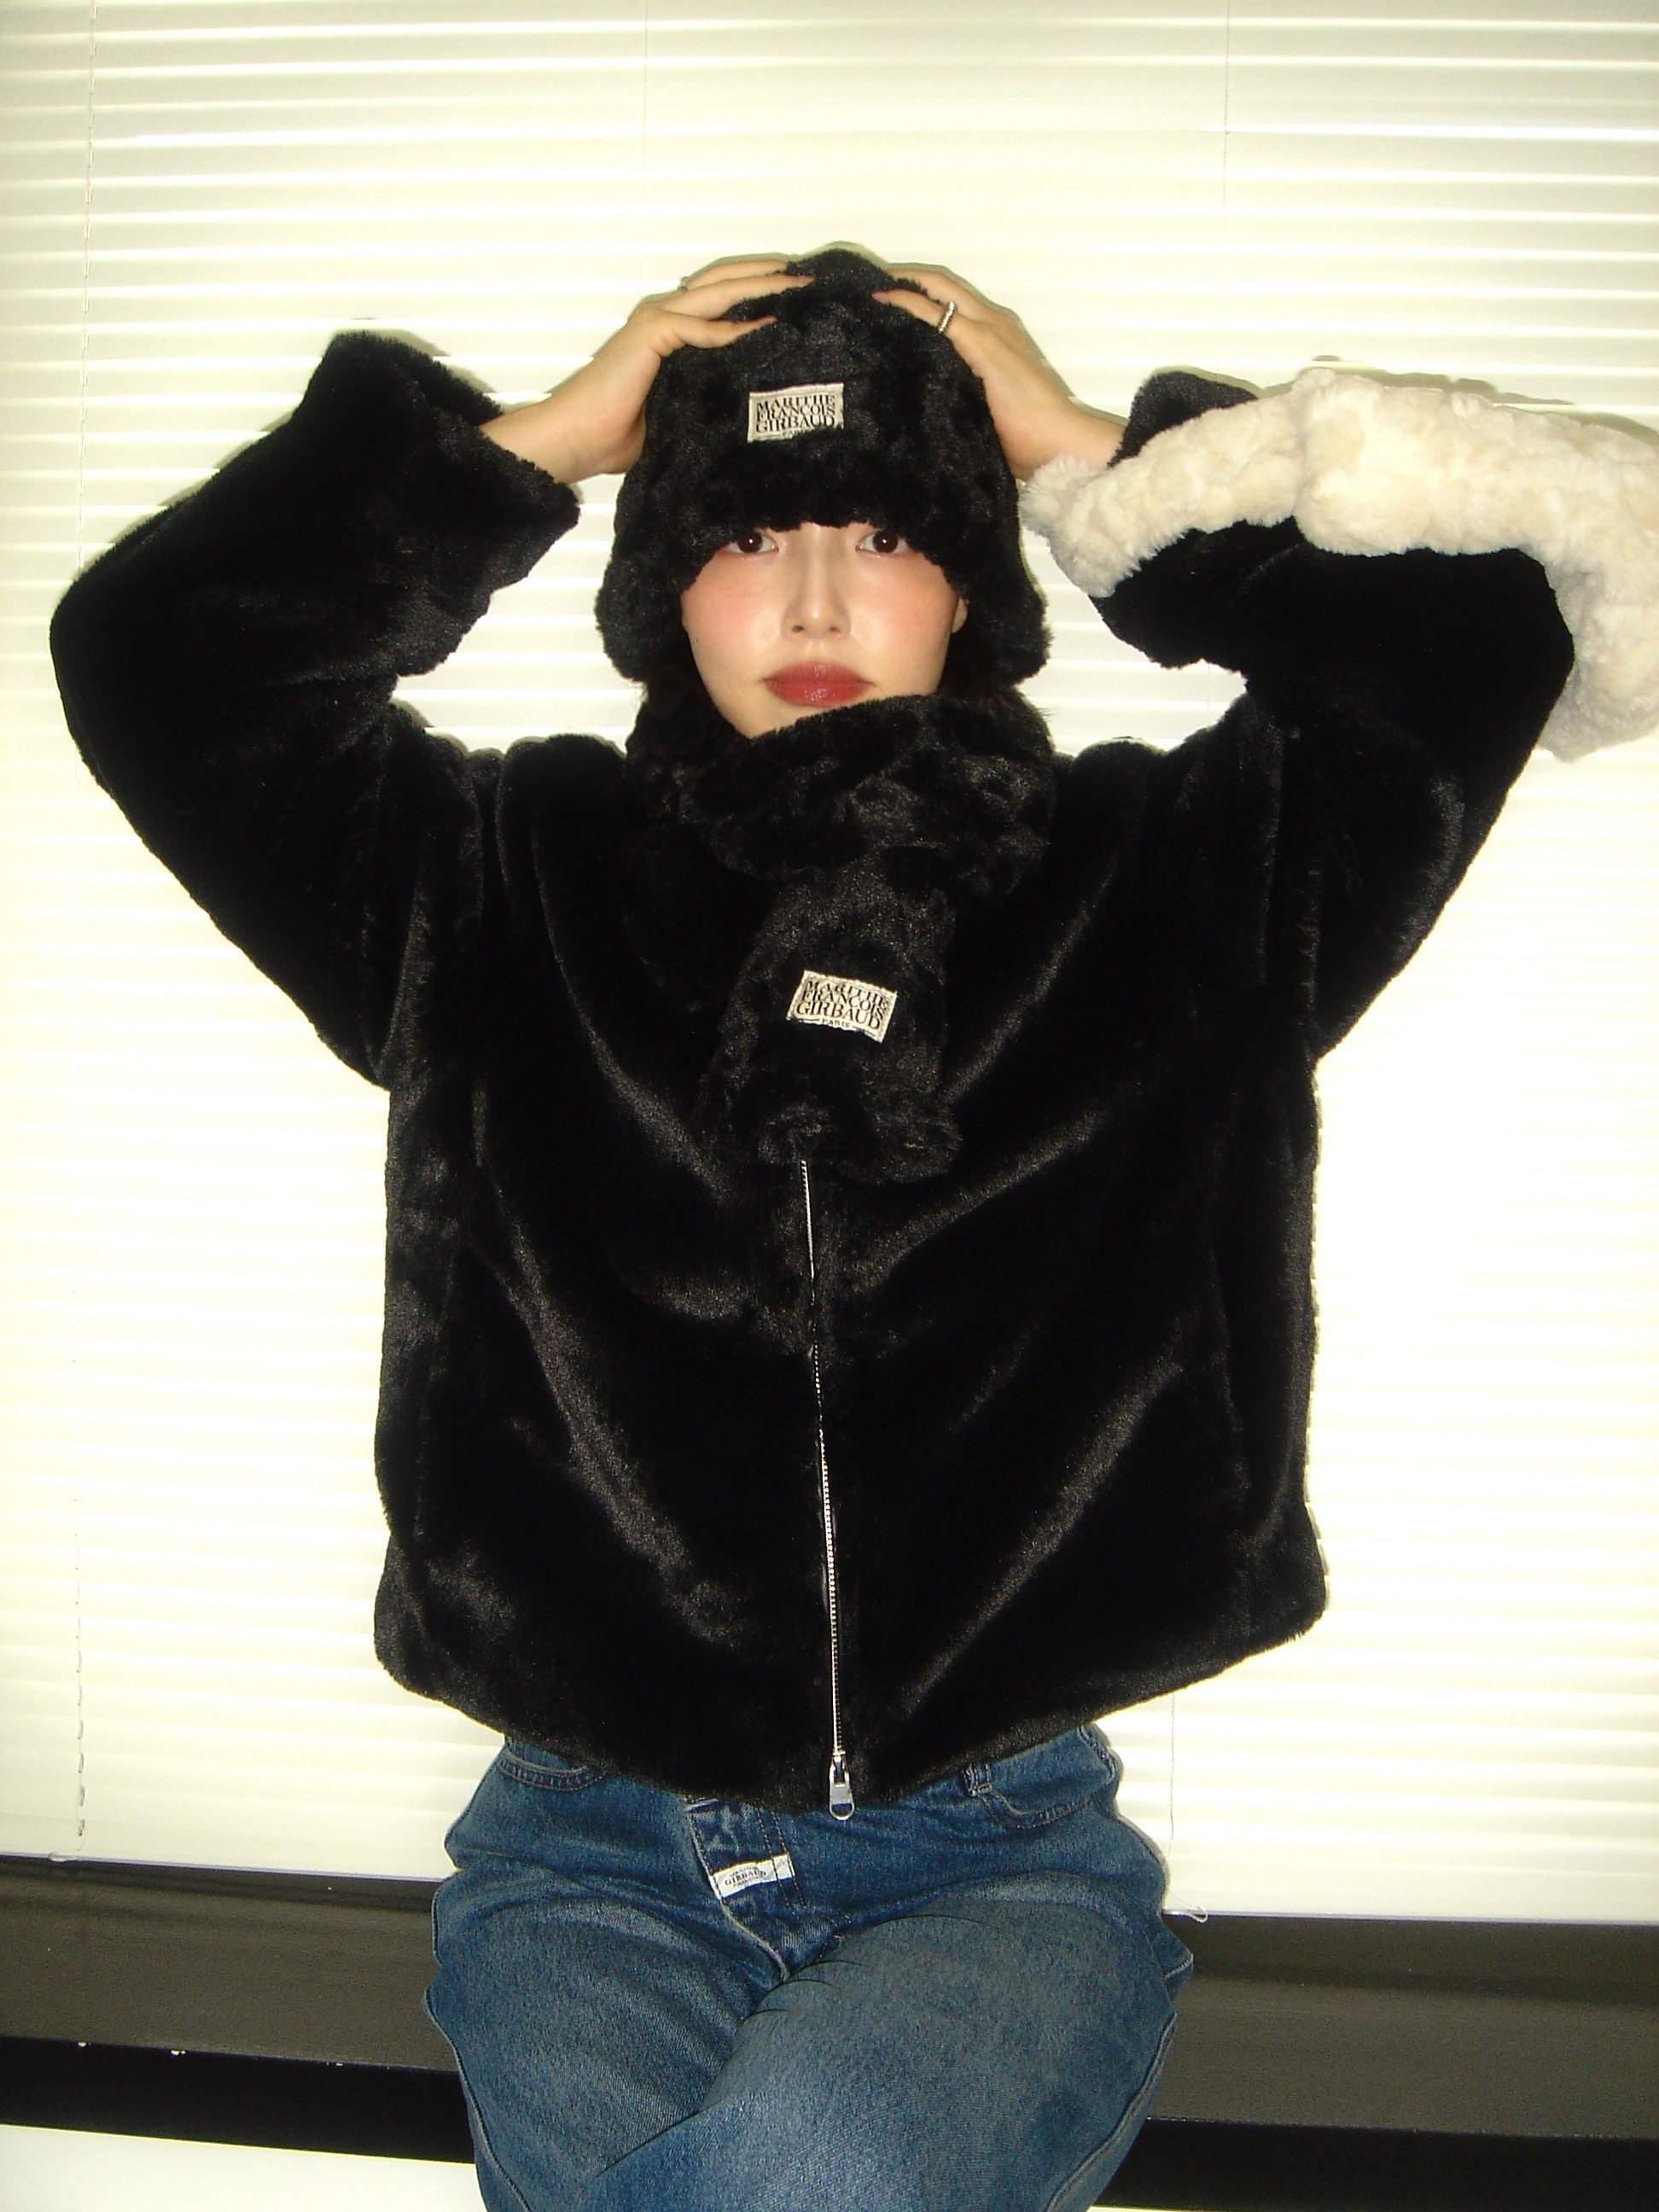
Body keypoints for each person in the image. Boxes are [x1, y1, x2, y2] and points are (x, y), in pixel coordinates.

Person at [48, 244, 1656, 2211]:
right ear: (667, 588)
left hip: (995, 1863)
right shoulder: (489, 886)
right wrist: (540, 445)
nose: (814, 597)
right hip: (588, 1855)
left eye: (885, 535)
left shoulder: (1174, 887)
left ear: (969, 584)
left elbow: (1473, 632)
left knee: (808, 2172)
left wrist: (1089, 463)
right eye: (748, 537)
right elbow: (162, 662)